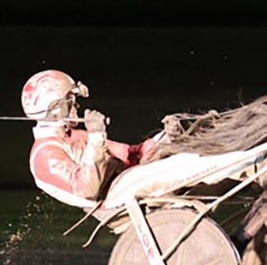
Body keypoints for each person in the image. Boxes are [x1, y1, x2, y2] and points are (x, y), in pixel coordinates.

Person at [22, 70, 162, 208]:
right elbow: (87, 190)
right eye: (70, 100)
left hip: (123, 184)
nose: (76, 106)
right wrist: (96, 136)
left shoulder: (76, 136)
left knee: (171, 156)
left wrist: (163, 138)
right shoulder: (45, 153)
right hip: (112, 200)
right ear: (55, 108)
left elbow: (130, 154)